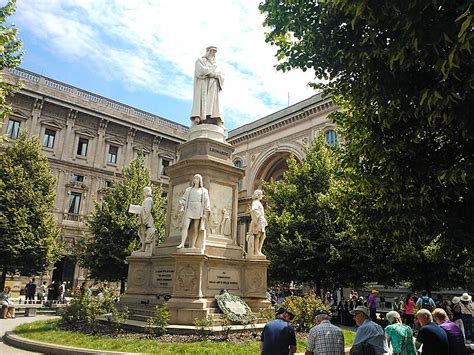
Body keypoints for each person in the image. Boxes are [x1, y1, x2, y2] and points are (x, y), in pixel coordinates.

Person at [190, 46, 224, 127]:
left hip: (213, 87)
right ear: (208, 52)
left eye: (214, 53)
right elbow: (201, 71)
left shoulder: (216, 65)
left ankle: (216, 119)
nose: (213, 54)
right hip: (204, 86)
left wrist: (216, 75)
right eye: (212, 52)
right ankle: (199, 117)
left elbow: (221, 75)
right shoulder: (200, 60)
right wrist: (211, 72)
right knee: (203, 103)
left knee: (214, 106)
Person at [177, 174, 211, 250]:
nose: (195, 180)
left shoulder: (204, 191)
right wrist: (182, 202)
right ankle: (182, 243)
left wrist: (205, 212)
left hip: (198, 209)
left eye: (197, 178)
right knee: (185, 226)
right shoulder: (189, 190)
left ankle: (193, 245)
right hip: (189, 208)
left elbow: (206, 201)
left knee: (196, 228)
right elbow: (184, 198)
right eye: (194, 178)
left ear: (200, 180)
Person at [248, 189, 267, 256]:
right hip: (259, 220)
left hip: (261, 220)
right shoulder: (256, 202)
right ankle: (256, 251)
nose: (262, 196)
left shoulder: (258, 202)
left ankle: (259, 250)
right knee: (258, 235)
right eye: (261, 194)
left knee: (263, 235)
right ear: (258, 195)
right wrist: (259, 217)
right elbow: (254, 209)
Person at [137, 186, 156, 252]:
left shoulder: (148, 200)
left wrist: (139, 209)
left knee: (143, 233)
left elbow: (147, 210)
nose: (143, 193)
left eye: (144, 192)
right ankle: (143, 247)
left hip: (146, 219)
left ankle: (143, 248)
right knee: (141, 233)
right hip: (143, 218)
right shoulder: (147, 199)